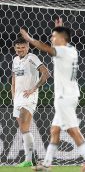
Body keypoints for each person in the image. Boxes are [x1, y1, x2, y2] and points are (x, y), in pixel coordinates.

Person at [20, 18, 85, 171]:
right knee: (55, 130)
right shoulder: (71, 49)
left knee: (73, 130)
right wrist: (59, 28)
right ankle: (46, 165)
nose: (51, 38)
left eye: (54, 36)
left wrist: (29, 39)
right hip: (68, 96)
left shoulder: (62, 51)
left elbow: (47, 48)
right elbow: (54, 47)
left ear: (62, 38)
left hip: (65, 97)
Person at [11, 37, 49, 167]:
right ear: (15, 48)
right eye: (18, 47)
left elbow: (45, 73)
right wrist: (13, 96)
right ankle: (31, 160)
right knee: (23, 129)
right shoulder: (15, 60)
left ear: (28, 47)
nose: (20, 49)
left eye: (23, 47)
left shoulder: (32, 57)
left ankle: (28, 160)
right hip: (17, 98)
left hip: (29, 97)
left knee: (25, 127)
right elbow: (14, 79)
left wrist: (33, 89)